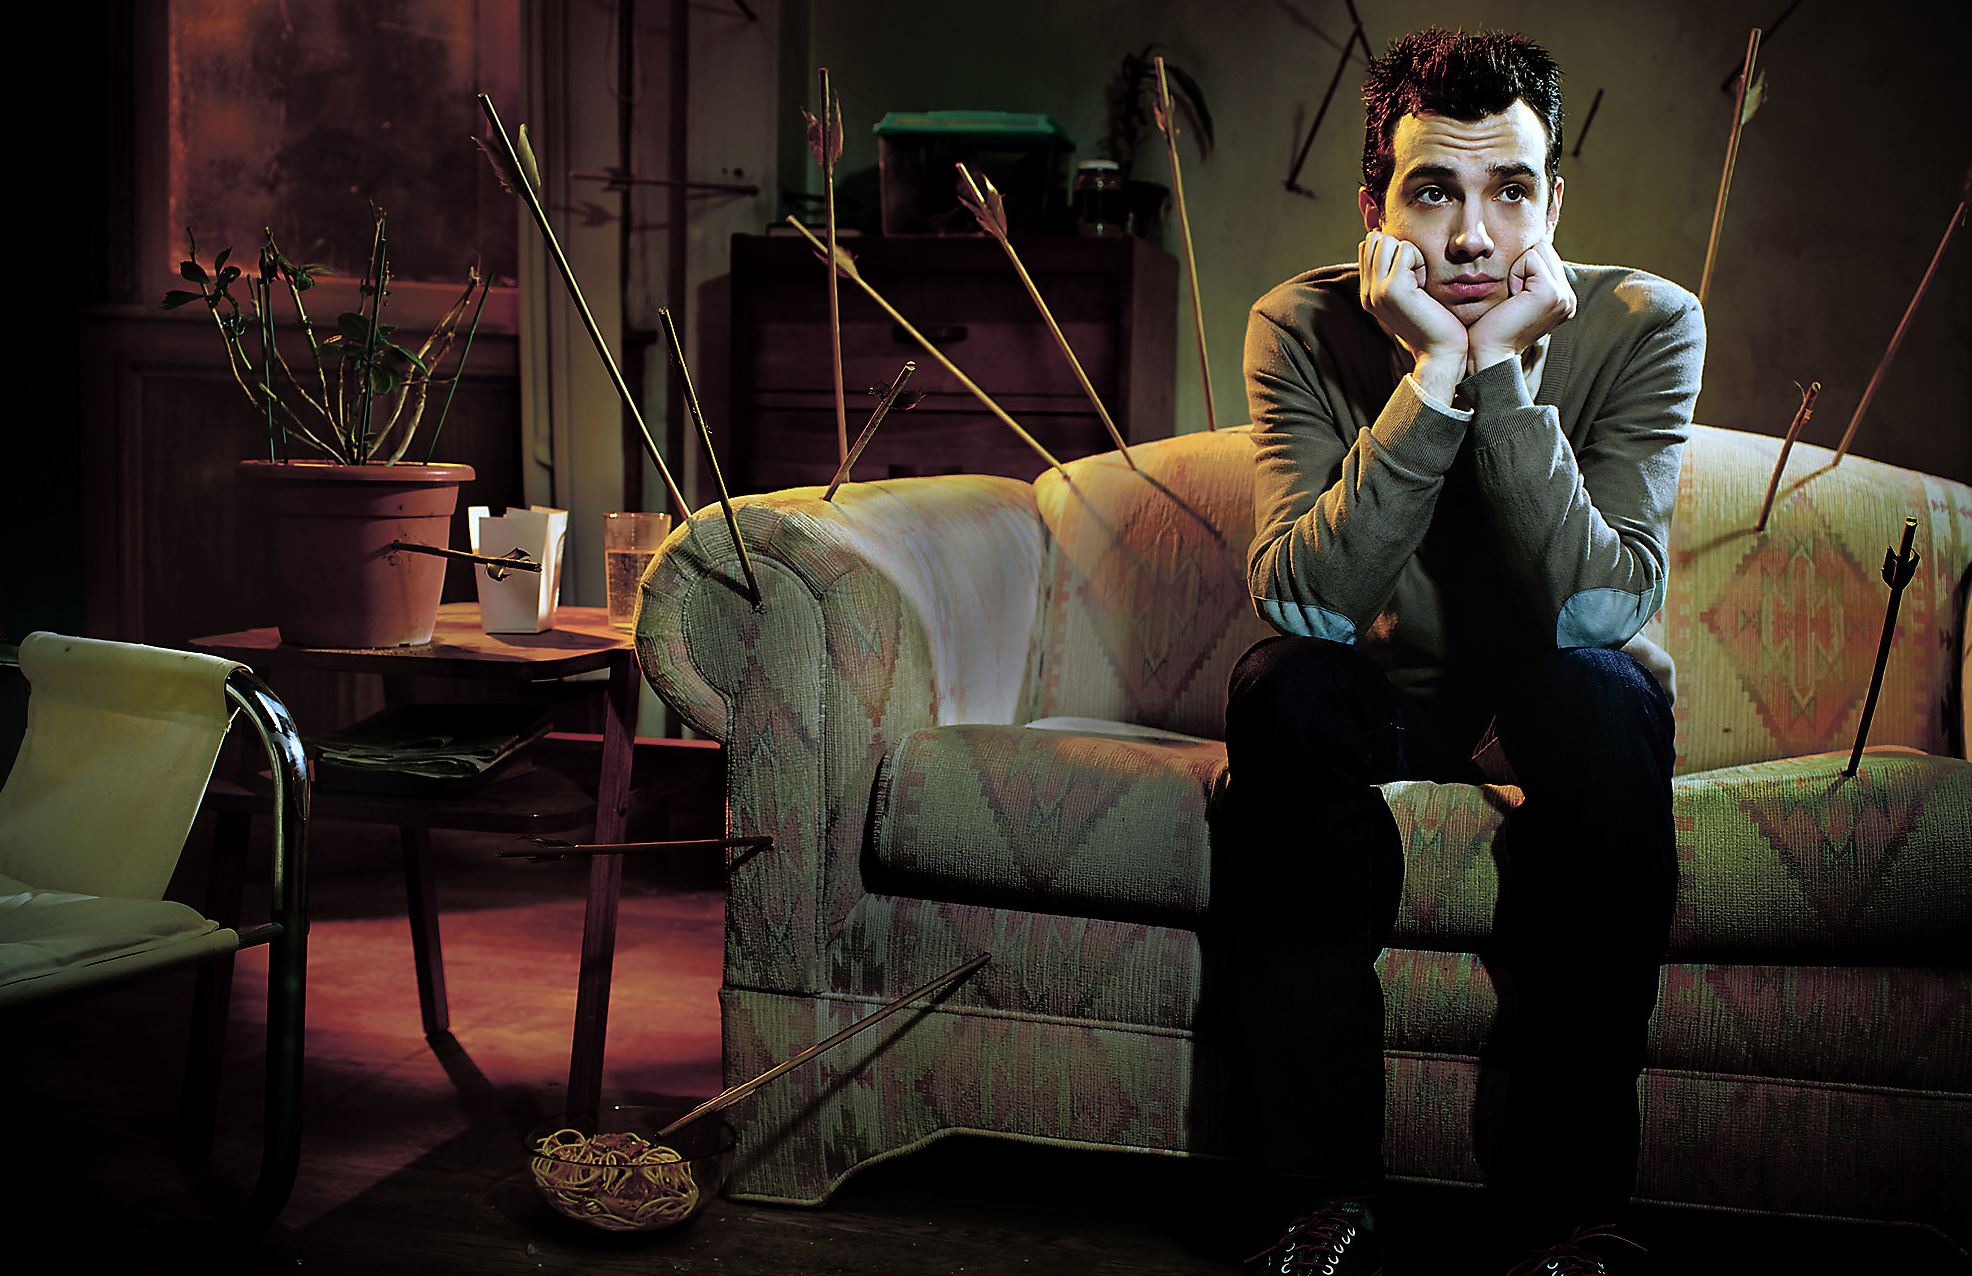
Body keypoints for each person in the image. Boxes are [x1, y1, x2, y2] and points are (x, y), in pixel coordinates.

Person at [1223, 25, 1703, 1276]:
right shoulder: (1301, 323)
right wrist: (1435, 371)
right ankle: (1317, 1200)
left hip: (1552, 704)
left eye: (1510, 191)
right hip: (1383, 698)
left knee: (1603, 691)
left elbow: (1597, 611)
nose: (1475, 237)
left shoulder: (1648, 323)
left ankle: (1573, 1220)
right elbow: (1307, 605)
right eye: (1434, 191)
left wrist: (1503, 379)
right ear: (1375, 211)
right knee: (1280, 689)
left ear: (1555, 205)